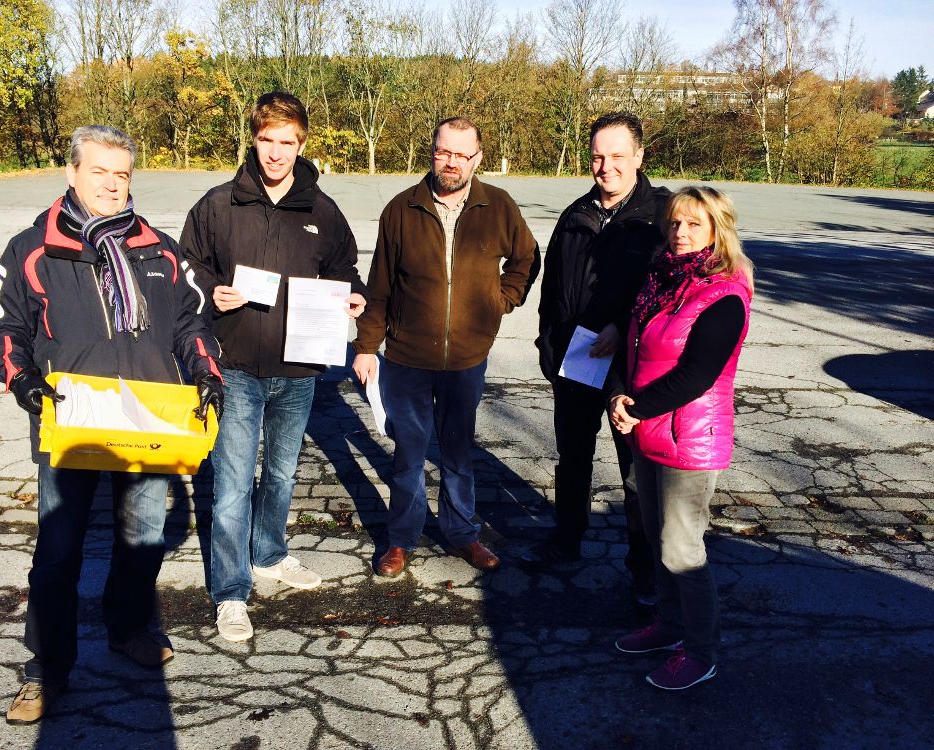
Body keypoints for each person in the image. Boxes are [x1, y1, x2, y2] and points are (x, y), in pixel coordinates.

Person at [0, 125, 224, 724]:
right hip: (71, 420)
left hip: (149, 421)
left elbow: (191, 321)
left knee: (143, 539)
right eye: (99, 172)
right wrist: (22, 380)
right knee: (58, 554)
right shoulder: (34, 248)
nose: (112, 186)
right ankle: (47, 668)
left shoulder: (160, 249)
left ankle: (128, 626)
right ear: (72, 173)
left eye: (122, 175)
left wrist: (205, 371)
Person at [180, 91, 367, 643]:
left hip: (298, 369)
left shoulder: (321, 211)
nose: (277, 153)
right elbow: (187, 265)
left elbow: (344, 268)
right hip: (235, 365)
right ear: (254, 139)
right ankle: (231, 592)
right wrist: (212, 291)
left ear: (301, 144)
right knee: (233, 484)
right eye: (267, 140)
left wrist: (354, 296)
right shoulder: (219, 205)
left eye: (287, 142)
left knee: (282, 475)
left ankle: (269, 555)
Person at [351, 116, 540, 578]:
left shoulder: (497, 206)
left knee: (457, 454)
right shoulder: (401, 209)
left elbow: (526, 258)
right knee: (408, 456)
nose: (451, 162)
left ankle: (462, 533)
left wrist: (502, 300)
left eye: (461, 154)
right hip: (407, 359)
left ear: (477, 158)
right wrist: (365, 346)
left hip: (466, 360)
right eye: (443, 152)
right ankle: (401, 540)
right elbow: (380, 286)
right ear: (432, 152)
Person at [609, 186, 753, 690]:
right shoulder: (662, 280)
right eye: (674, 222)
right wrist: (620, 394)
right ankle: (669, 627)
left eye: (694, 224)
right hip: (648, 430)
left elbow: (698, 375)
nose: (681, 232)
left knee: (682, 551)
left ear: (717, 230)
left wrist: (634, 408)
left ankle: (701, 651)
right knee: (657, 540)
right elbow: (633, 347)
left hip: (689, 438)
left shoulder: (725, 294)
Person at [532, 112, 670, 603]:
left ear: (639, 156)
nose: (605, 166)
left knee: (636, 471)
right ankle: (567, 538)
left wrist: (623, 322)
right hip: (576, 359)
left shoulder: (663, 217)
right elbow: (553, 288)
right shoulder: (576, 215)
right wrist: (548, 345)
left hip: (632, 367)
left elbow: (674, 292)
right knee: (573, 458)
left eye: (616, 156)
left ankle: (644, 566)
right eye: (597, 156)